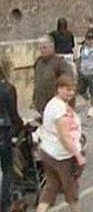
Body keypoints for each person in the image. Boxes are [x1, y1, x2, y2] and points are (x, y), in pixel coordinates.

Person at [36, 76, 85, 212]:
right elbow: (65, 137)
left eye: (73, 90)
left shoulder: (53, 104)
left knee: (51, 188)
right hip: (62, 156)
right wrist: (78, 155)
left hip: (48, 152)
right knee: (72, 193)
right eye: (67, 89)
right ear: (59, 89)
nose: (71, 93)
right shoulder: (59, 110)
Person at [0, 53, 23, 212]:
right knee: (7, 168)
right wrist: (21, 127)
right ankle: (5, 203)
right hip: (3, 131)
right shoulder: (8, 88)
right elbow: (13, 114)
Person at [32, 35, 73, 115]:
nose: (42, 50)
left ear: (52, 47)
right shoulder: (38, 62)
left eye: (44, 48)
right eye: (40, 48)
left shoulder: (60, 63)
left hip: (55, 105)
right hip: (41, 104)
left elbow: (67, 82)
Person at [76, 30, 93, 118]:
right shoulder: (81, 48)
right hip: (83, 72)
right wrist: (78, 69)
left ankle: (92, 108)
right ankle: (88, 101)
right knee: (81, 90)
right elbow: (78, 59)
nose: (90, 41)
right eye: (88, 39)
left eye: (91, 39)